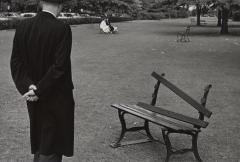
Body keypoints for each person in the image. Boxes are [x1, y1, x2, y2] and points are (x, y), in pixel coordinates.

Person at [10, 0, 75, 161]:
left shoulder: (23, 27)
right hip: (55, 96)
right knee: (52, 144)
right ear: (60, 5)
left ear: (41, 3)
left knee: (41, 139)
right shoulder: (62, 29)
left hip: (33, 95)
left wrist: (29, 86)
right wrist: (38, 90)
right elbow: (60, 67)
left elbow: (16, 63)